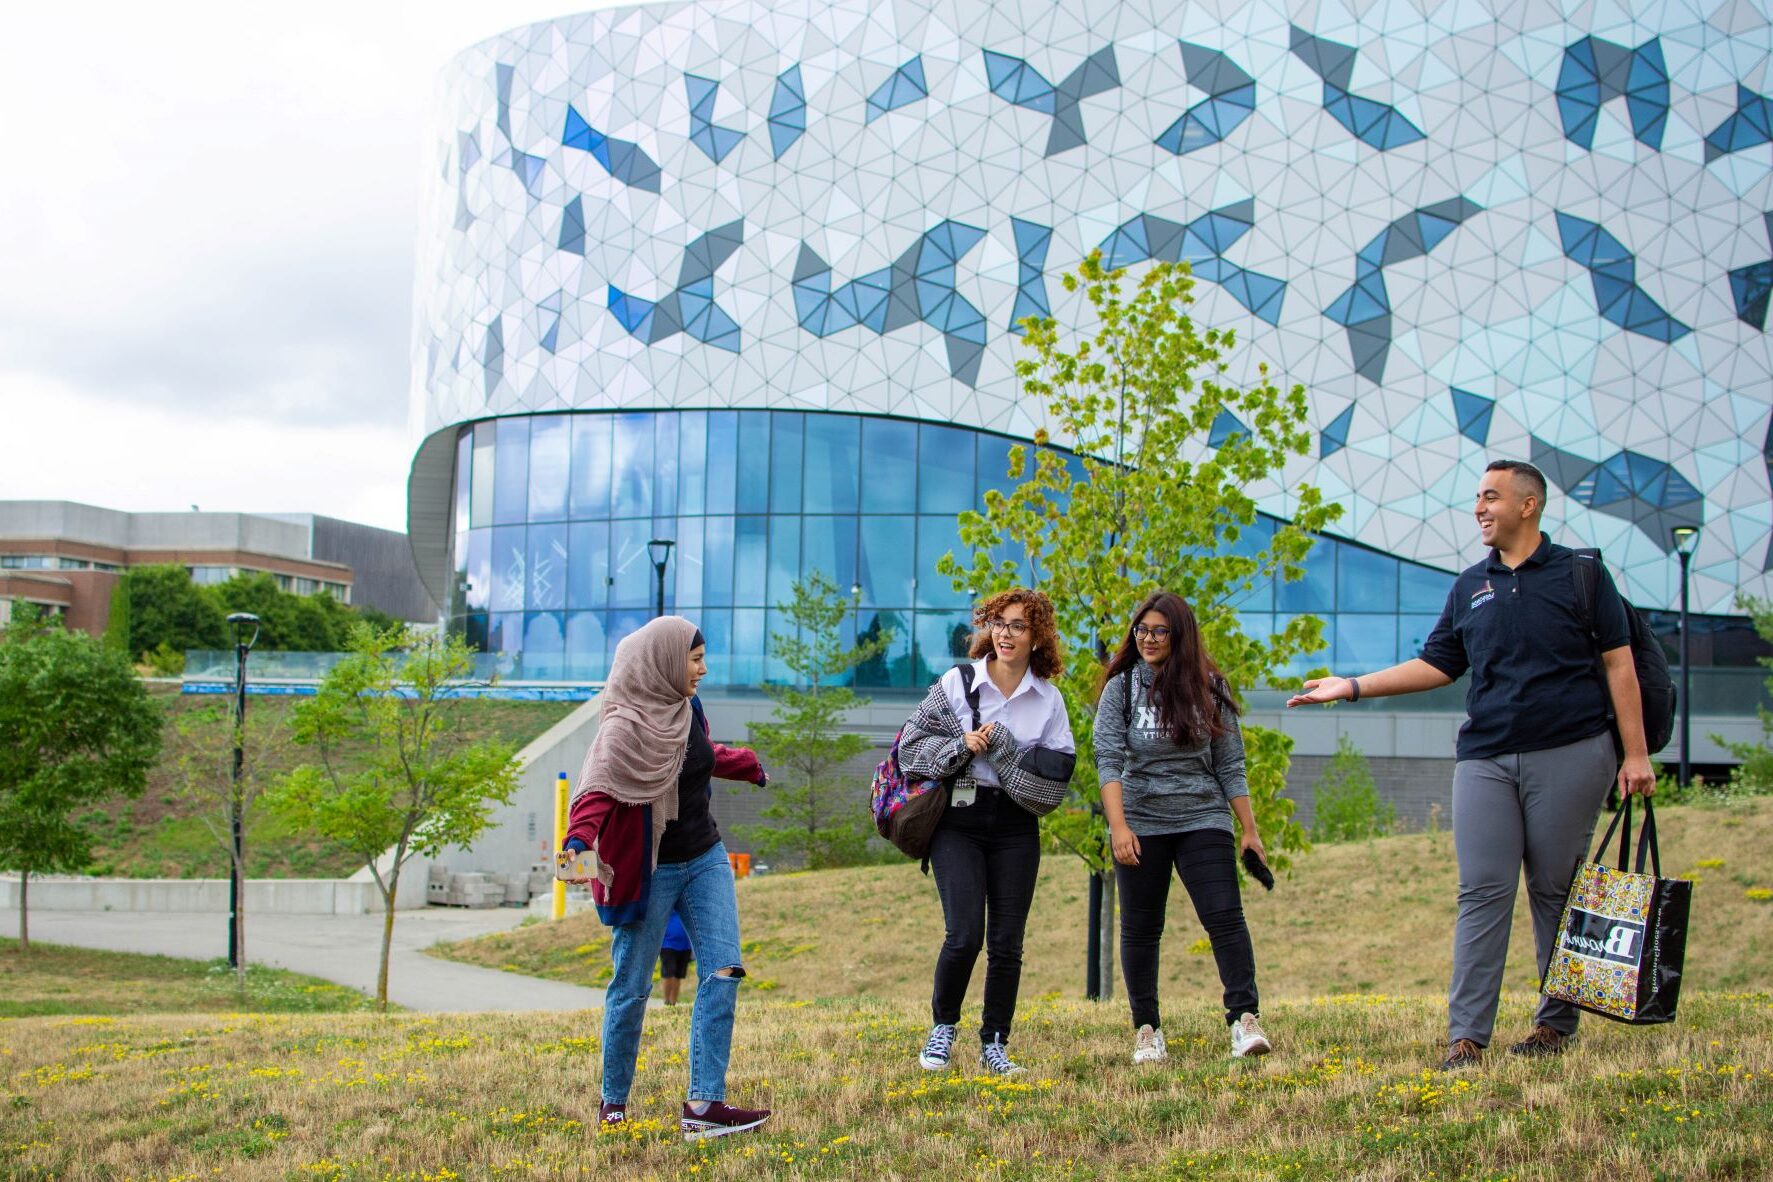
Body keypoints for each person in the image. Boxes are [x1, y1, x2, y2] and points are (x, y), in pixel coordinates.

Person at [1286, 459, 1654, 1070]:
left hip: (1570, 751)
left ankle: (1554, 1026)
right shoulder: (1469, 586)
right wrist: (1351, 685)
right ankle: (1466, 1038)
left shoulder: (1582, 576)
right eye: (1478, 498)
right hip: (1484, 756)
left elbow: (1621, 665)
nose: (1480, 508)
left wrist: (1635, 755)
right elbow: (1438, 665)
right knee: (1482, 890)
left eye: (1491, 497)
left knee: (1552, 890)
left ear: (1528, 505)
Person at [558, 616, 772, 1139]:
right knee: (632, 986)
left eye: (702, 658)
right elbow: (597, 791)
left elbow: (692, 756)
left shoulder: (686, 707)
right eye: (694, 659)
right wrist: (577, 850)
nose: (703, 668)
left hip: (704, 856)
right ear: (663, 662)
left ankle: (704, 1107)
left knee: (723, 971)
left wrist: (742, 762)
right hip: (648, 870)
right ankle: (613, 1102)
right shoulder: (623, 727)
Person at [899, 588, 1076, 1076]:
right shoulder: (958, 683)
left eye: (1018, 625)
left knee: (1007, 942)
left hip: (1017, 826)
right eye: (999, 623)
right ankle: (943, 1029)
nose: (1006, 634)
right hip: (960, 820)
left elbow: (1054, 782)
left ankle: (995, 1042)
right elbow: (908, 750)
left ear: (1037, 637)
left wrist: (1002, 751)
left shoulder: (1049, 699)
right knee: (964, 934)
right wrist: (960, 746)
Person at [1095, 591, 1272, 1063]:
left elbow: (1230, 764)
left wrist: (1249, 830)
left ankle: (1244, 1020)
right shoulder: (1123, 687)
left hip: (1203, 817)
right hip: (1141, 820)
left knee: (1224, 917)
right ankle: (1147, 1029)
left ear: (1180, 636)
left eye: (1159, 631)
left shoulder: (1209, 687)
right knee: (1140, 928)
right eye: (1141, 630)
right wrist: (1118, 827)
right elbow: (1108, 760)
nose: (1148, 639)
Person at [659, 908, 693, 1006]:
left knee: (678, 975)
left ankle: (673, 1003)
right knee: (668, 973)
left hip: (685, 945)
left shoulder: (687, 904)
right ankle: (666, 1001)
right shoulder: (669, 901)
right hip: (667, 944)